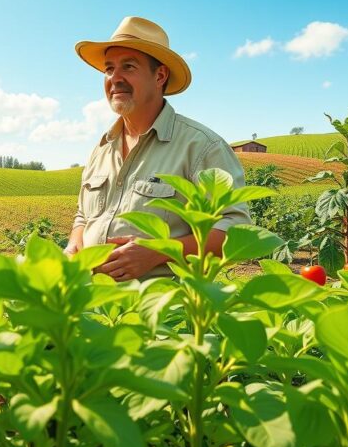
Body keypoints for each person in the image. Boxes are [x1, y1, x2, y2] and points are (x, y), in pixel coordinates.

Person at [63, 16, 250, 280]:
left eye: (128, 67)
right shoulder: (102, 149)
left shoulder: (201, 146)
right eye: (109, 69)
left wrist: (158, 251)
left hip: (164, 303)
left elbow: (236, 231)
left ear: (160, 75)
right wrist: (73, 245)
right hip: (94, 298)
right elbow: (83, 217)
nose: (114, 78)